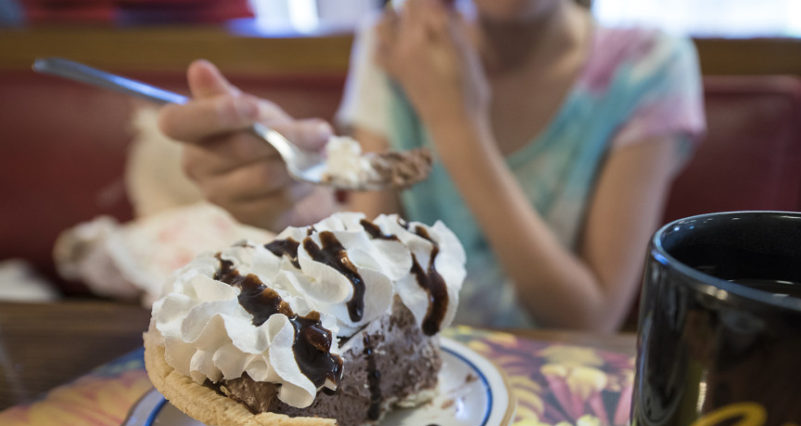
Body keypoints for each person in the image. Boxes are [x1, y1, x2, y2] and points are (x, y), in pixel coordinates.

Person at [158, 0, 704, 331]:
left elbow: (588, 317)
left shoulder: (649, 65)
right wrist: (294, 192)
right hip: (417, 362)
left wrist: (456, 123)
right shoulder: (397, 43)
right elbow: (372, 251)